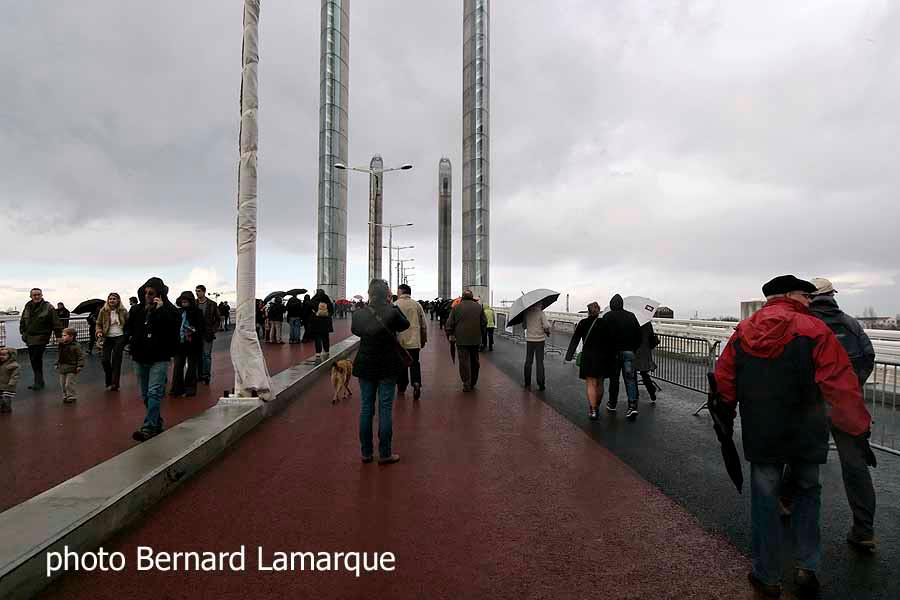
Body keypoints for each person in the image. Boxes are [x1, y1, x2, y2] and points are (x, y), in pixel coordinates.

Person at [714, 275, 872, 598]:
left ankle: (767, 574)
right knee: (807, 495)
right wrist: (857, 427)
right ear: (788, 294)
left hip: (762, 431)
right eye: (805, 295)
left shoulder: (743, 331)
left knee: (765, 501)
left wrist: (725, 422)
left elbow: (723, 380)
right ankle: (806, 567)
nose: (810, 300)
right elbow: (840, 385)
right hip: (807, 432)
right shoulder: (816, 331)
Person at [806, 277, 878, 551]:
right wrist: (851, 385)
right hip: (846, 404)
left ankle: (786, 503)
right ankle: (864, 530)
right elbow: (867, 356)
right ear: (832, 295)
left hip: (814, 403)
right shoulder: (850, 323)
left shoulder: (805, 323)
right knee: (855, 465)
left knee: (804, 456)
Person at [351, 279, 410, 465]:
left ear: (369, 294)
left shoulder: (359, 314)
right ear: (387, 294)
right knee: (385, 408)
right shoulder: (392, 312)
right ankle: (385, 454)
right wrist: (391, 306)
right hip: (387, 365)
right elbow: (405, 325)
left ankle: (366, 453)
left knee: (366, 408)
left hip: (365, 364)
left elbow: (356, 331)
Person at [125, 277, 180, 442]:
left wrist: (160, 311)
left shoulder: (170, 310)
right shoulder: (136, 310)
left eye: (152, 293)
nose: (148, 295)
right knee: (144, 395)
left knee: (154, 392)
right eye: (146, 292)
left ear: (160, 294)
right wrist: (127, 341)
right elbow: (128, 328)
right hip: (139, 356)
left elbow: (173, 329)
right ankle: (157, 423)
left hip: (160, 357)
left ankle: (148, 428)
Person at [565, 302, 612, 420]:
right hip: (602, 357)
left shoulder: (583, 323)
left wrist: (569, 356)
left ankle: (593, 409)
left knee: (591, 383)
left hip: (588, 357)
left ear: (588, 311)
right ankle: (597, 405)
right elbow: (610, 341)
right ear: (599, 311)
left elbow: (575, 340)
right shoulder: (604, 323)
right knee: (600, 383)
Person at [603, 294, 642, 421]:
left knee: (614, 379)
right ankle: (632, 406)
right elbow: (639, 336)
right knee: (630, 379)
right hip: (629, 352)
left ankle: (612, 403)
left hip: (613, 353)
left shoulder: (607, 317)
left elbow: (603, 337)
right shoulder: (631, 316)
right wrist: (633, 349)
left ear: (611, 305)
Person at [19, 288, 62, 391]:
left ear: (42, 295)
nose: (37, 296)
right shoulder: (27, 306)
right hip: (29, 337)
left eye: (38, 294)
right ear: (31, 296)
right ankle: (39, 381)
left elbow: (56, 323)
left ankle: (38, 382)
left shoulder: (48, 307)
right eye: (34, 295)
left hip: (41, 337)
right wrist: (23, 333)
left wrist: (59, 336)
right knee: (33, 360)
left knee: (36, 359)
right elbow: (22, 321)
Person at [445, 289, 486, 392]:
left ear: (462, 297)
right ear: (472, 297)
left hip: (461, 339)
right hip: (475, 339)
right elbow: (484, 323)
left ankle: (466, 383)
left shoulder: (456, 307)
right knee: (475, 361)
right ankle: (473, 382)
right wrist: (480, 333)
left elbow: (449, 324)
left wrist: (450, 334)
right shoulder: (479, 307)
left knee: (464, 362)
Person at [394, 284, 427, 400]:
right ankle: (416, 383)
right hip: (414, 340)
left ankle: (402, 386)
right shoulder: (417, 305)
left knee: (401, 363)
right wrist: (423, 339)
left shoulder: (395, 305)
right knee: (414, 362)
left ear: (401, 292)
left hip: (400, 341)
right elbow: (423, 325)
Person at [170, 291, 205, 398]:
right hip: (180, 343)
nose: (183, 301)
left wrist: (193, 330)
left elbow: (200, 327)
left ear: (190, 301)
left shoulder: (197, 312)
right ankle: (177, 389)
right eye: (182, 299)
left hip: (192, 343)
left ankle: (190, 389)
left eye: (186, 299)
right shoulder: (178, 312)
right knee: (178, 366)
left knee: (191, 366)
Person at [96, 292, 128, 391]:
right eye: (110, 299)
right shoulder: (103, 311)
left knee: (116, 361)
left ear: (118, 300)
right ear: (108, 300)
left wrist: (128, 335)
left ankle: (115, 384)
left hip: (120, 337)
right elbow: (98, 323)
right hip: (107, 337)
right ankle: (109, 378)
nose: (112, 300)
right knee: (105, 360)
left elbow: (128, 323)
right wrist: (99, 332)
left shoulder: (123, 311)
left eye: (114, 299)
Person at [195, 285, 221, 384]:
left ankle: (206, 376)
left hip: (207, 333)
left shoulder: (212, 304)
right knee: (198, 355)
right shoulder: (194, 303)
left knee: (206, 355)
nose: (197, 293)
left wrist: (213, 330)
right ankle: (199, 375)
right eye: (196, 291)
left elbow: (218, 319)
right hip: (196, 334)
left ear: (204, 292)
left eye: (199, 291)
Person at [522, 303, 551, 390]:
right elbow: (546, 326)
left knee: (528, 361)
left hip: (530, 340)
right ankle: (541, 383)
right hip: (539, 341)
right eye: (541, 304)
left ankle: (527, 382)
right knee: (539, 362)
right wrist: (547, 331)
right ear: (539, 304)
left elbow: (524, 326)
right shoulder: (541, 313)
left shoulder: (526, 313)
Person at [56, 327, 85, 404]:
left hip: (72, 367)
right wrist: (57, 363)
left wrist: (80, 366)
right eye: (63, 335)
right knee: (62, 384)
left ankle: (71, 396)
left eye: (65, 335)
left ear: (71, 336)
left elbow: (80, 356)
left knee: (69, 383)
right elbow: (59, 355)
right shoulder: (61, 345)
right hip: (62, 367)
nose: (63, 337)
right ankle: (65, 396)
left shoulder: (76, 346)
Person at [634, 321, 661, 403]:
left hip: (635, 350)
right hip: (645, 350)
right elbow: (651, 335)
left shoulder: (632, 321)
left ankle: (635, 394)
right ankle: (651, 391)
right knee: (644, 373)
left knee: (632, 373)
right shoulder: (647, 322)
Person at [309, 289, 334, 358]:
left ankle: (318, 352)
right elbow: (332, 311)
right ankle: (326, 350)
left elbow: (309, 305)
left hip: (317, 322)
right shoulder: (327, 301)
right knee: (325, 337)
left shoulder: (314, 301)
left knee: (317, 338)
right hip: (326, 322)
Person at [0, 346, 19, 414]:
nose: (1, 356)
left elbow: (15, 375)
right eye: (0, 355)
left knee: (6, 398)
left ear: (10, 356)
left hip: (9, 386)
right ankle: (2, 407)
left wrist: (12, 383)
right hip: (1, 385)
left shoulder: (14, 365)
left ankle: (7, 408)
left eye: (4, 355)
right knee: (1, 398)